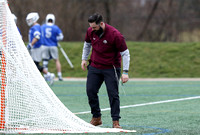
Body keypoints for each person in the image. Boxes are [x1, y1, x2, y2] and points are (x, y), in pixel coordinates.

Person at [81, 13, 130, 128]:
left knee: (113, 94)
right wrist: (84, 59)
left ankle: (115, 121)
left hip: (111, 68)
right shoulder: (90, 31)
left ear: (101, 24)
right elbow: (87, 45)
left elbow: (125, 53)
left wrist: (125, 72)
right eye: (91, 27)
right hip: (95, 66)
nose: (92, 29)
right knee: (91, 91)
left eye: (94, 27)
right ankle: (96, 117)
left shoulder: (115, 35)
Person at [26, 12, 55, 85]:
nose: (29, 22)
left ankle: (45, 76)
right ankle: (49, 75)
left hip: (37, 48)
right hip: (36, 48)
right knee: (35, 65)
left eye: (30, 20)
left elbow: (37, 37)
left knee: (34, 65)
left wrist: (30, 45)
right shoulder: (36, 26)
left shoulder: (35, 27)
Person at [41, 14, 64, 81]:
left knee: (45, 61)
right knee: (56, 60)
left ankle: (46, 75)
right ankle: (59, 75)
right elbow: (61, 37)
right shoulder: (55, 27)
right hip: (53, 45)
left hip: (44, 46)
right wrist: (56, 39)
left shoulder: (43, 27)